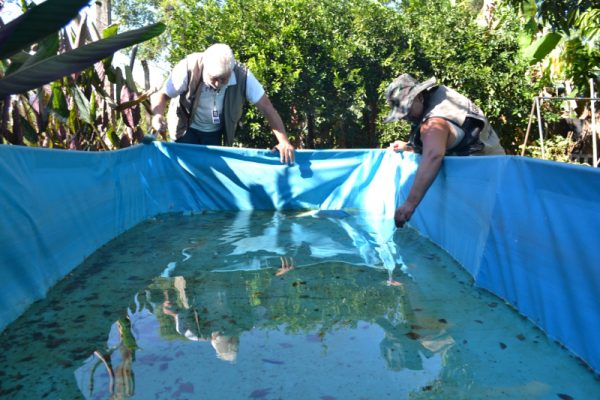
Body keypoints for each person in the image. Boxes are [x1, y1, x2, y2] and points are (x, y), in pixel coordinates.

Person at [383, 74, 505, 228]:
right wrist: (409, 147)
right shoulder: (439, 99)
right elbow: (447, 141)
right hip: (497, 166)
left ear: (419, 97)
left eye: (406, 109)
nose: (404, 117)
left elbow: (433, 156)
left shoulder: (434, 123)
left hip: (487, 178)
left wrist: (409, 204)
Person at [151, 43, 295, 164]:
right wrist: (157, 115)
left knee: (208, 175)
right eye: (213, 78)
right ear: (205, 68)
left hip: (213, 132)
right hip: (184, 129)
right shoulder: (188, 67)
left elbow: (266, 107)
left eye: (223, 79)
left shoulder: (243, 76)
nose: (218, 83)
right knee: (184, 171)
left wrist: (283, 141)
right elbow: (162, 94)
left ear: (231, 71)